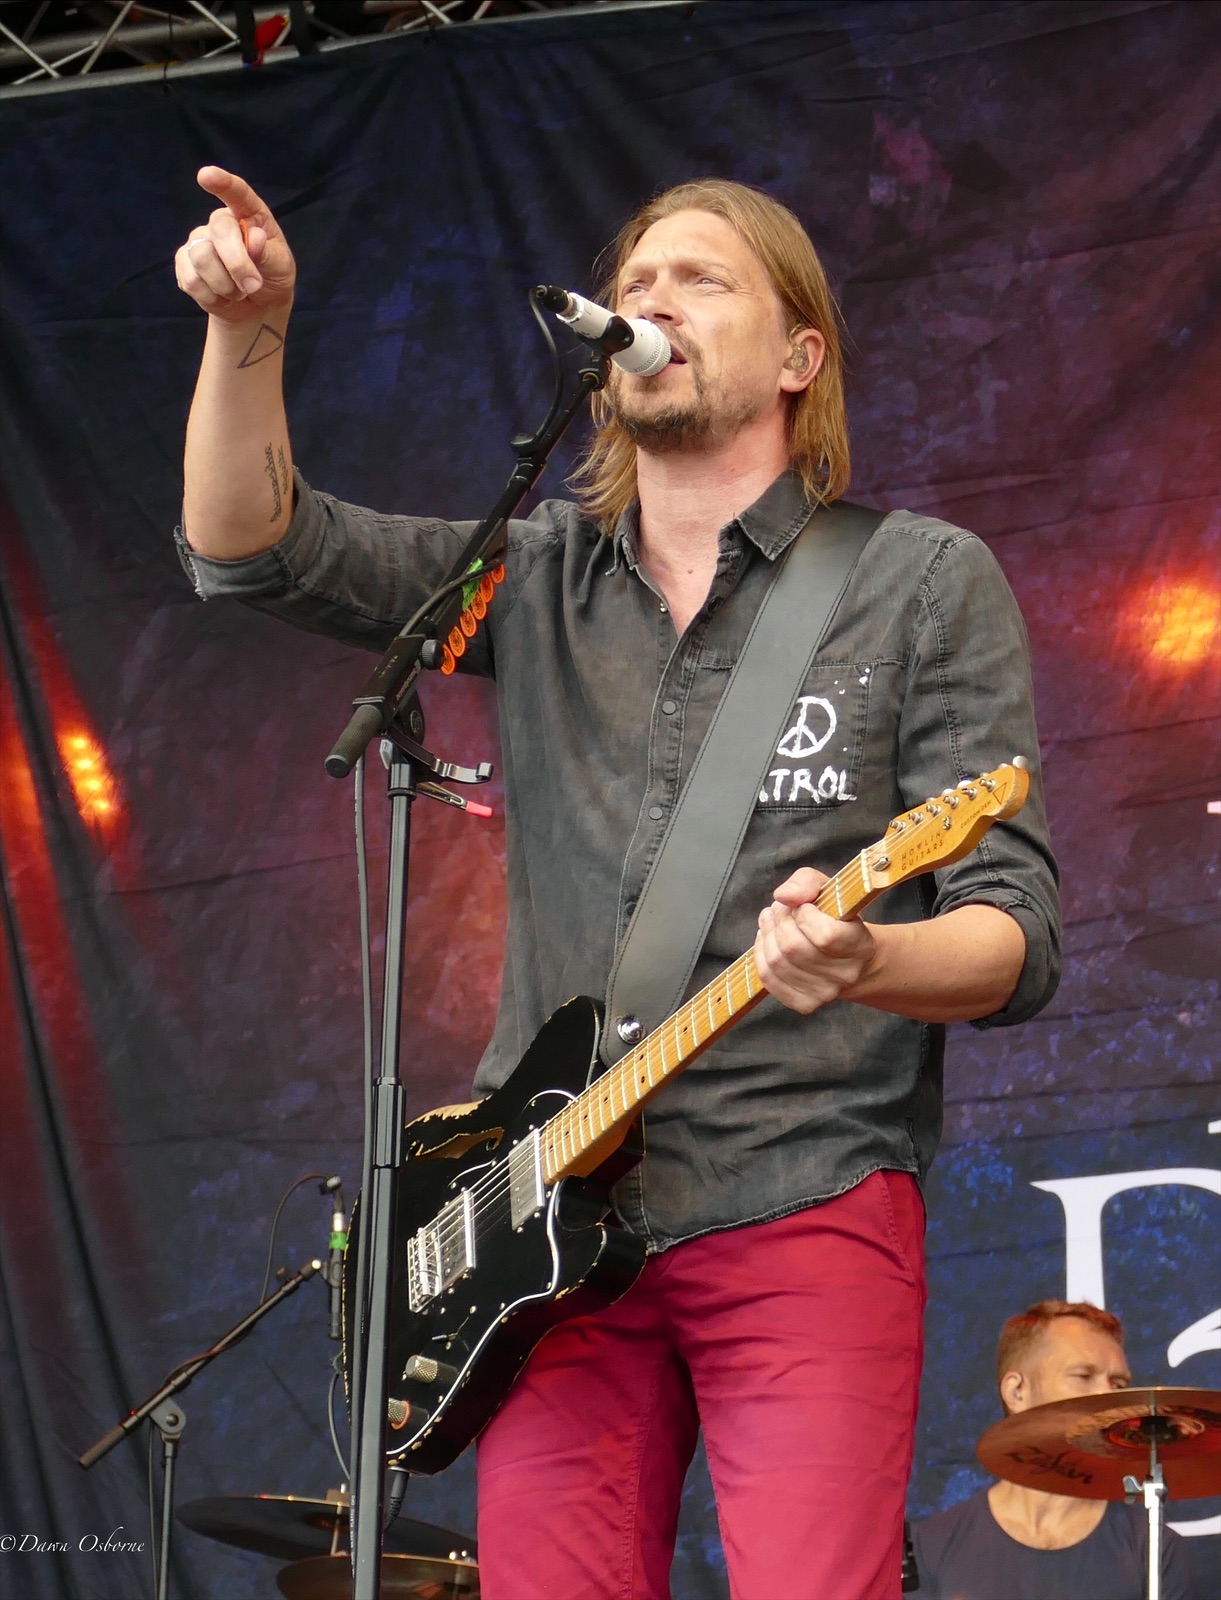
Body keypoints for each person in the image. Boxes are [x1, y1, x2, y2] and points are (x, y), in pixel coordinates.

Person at [173, 167, 1061, 1600]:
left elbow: (1016, 932)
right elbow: (252, 547)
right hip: (542, 1224)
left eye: (702, 279)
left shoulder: (916, 582)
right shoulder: (532, 580)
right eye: (636, 282)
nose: (651, 299)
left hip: (802, 1184)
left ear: (800, 356)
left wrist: (869, 959)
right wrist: (248, 330)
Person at [909, 1300, 1195, 1598]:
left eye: (1118, 1384)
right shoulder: (930, 1546)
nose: (1107, 1395)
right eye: (1083, 1376)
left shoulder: (1154, 1550)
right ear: (1017, 1392)